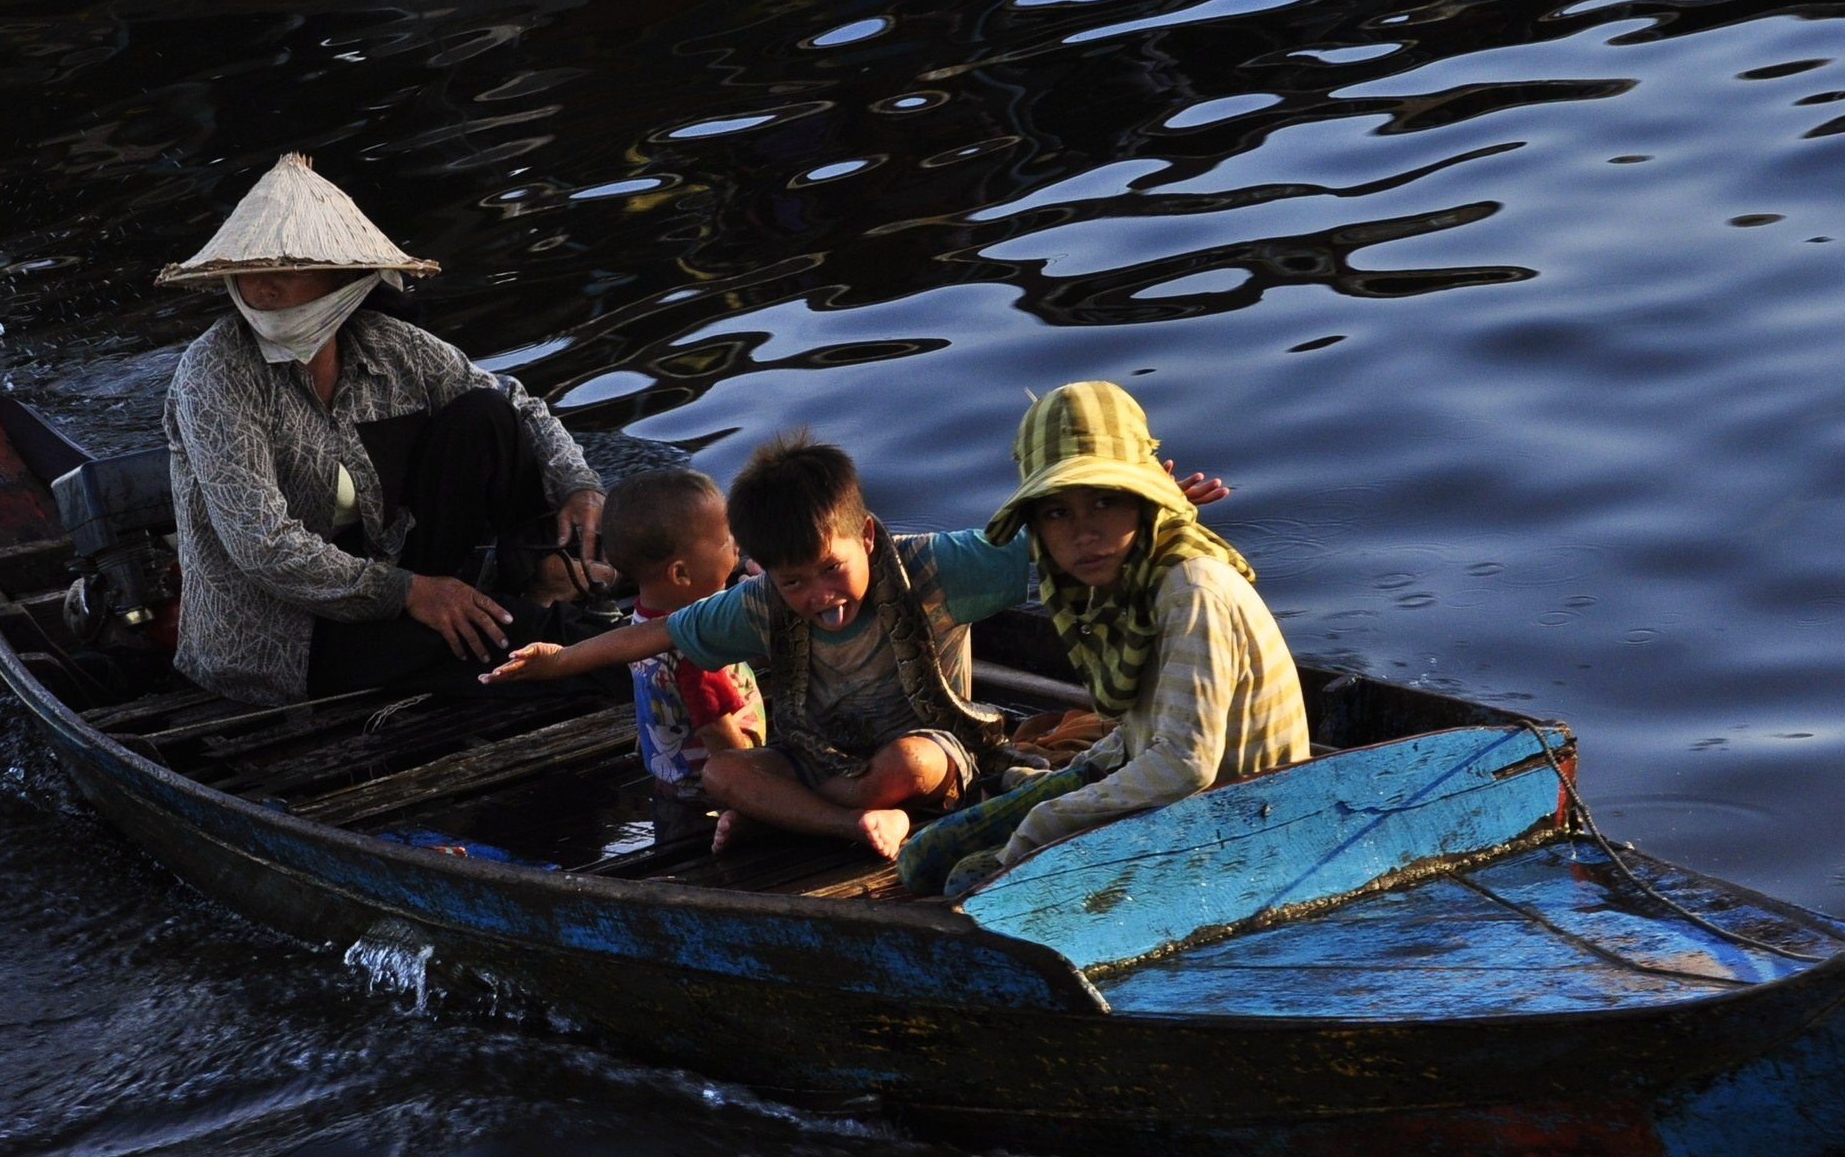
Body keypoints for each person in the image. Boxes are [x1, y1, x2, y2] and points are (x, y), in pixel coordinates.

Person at [484, 429, 1232, 859]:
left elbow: (1048, 541)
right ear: (763, 570)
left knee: (907, 760)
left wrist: (1153, 501)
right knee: (723, 777)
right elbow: (656, 634)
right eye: (793, 582)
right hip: (822, 763)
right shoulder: (757, 604)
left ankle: (815, 809)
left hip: (935, 754)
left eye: (830, 570)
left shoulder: (940, 567)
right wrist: (557, 663)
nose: (818, 597)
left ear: (865, 536)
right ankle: (848, 825)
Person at [159, 153, 609, 706]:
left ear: (343, 277)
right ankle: (638, 656)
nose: (262, 286)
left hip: (395, 577)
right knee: (514, 644)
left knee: (485, 414)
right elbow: (263, 546)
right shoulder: (216, 373)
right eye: (249, 268)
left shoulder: (387, 344)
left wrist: (578, 485)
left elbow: (517, 403)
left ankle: (541, 572)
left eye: (286, 267)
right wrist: (411, 592)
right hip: (280, 636)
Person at [898, 381, 1310, 897]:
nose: (1083, 533)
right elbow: (1144, 730)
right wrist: (1074, 776)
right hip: (1173, 794)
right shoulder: (1116, 585)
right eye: (1057, 512)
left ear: (1142, 501)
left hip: (1241, 823)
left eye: (1103, 502)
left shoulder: (1191, 589)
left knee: (970, 881)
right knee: (922, 858)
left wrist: (1046, 821)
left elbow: (1185, 763)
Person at [596, 467, 765, 799]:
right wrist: (755, 784)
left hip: (673, 778)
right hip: (713, 792)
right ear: (681, 573)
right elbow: (719, 734)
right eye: (725, 539)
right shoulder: (696, 646)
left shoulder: (642, 622)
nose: (737, 545)